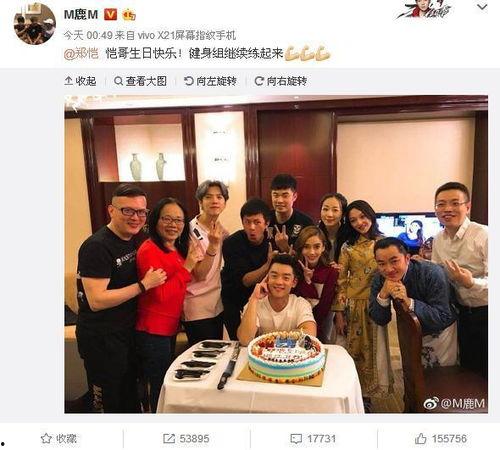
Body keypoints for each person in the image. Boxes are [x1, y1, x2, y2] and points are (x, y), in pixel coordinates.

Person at [76, 184, 166, 413]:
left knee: (130, 400)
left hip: (127, 334)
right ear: (111, 210)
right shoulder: (96, 247)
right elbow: (97, 300)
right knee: (108, 405)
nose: (135, 217)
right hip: (101, 339)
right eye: (128, 210)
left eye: (141, 212)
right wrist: (143, 285)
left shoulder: (134, 239)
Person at [135, 197, 204, 412]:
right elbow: (161, 295)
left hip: (169, 326)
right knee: (160, 385)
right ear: (155, 220)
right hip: (153, 329)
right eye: (167, 219)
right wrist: (188, 266)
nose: (173, 224)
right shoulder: (149, 250)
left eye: (179, 220)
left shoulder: (175, 247)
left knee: (166, 381)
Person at [332, 200, 392, 408]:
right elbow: (341, 281)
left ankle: (368, 397)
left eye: (363, 217)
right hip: (353, 306)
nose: (359, 223)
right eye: (353, 220)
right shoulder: (348, 247)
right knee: (353, 353)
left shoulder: (384, 243)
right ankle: (354, 397)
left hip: (376, 304)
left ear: (371, 215)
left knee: (375, 352)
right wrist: (339, 313)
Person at [369, 237, 458, 367]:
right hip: (409, 333)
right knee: (411, 374)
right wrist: (383, 295)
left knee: (440, 376)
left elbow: (443, 316)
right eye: (381, 264)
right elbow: (379, 319)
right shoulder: (380, 278)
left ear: (407, 258)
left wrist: (409, 302)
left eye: (394, 261)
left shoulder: (432, 273)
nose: (388, 269)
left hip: (440, 335)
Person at [431, 182, 488, 377]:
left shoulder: (484, 235)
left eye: (455, 203)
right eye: (441, 204)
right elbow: (439, 275)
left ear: (468, 207)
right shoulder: (438, 239)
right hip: (461, 313)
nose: (447, 209)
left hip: (487, 312)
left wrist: (470, 282)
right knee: (468, 367)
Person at [221, 198, 277, 339]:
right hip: (235, 300)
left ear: (266, 223)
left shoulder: (273, 242)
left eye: (257, 222)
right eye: (247, 222)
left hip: (263, 300)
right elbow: (245, 280)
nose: (252, 227)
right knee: (241, 341)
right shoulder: (231, 243)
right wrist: (267, 265)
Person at [182, 180, 229, 346]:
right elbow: (200, 274)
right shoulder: (189, 231)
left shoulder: (221, 230)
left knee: (218, 353)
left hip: (216, 303)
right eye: (208, 197)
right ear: (200, 202)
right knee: (203, 356)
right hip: (196, 305)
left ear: (224, 203)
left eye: (219, 197)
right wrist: (213, 246)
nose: (215, 201)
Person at [237, 254, 316, 346]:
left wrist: (273, 341)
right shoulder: (255, 303)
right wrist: (254, 298)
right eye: (274, 276)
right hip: (262, 354)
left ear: (294, 282)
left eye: (286, 278)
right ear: (267, 279)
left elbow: (310, 335)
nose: (279, 282)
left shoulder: (300, 304)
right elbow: (245, 340)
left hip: (291, 354)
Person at [293, 226, 339, 343]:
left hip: (317, 329)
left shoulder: (331, 272)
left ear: (323, 247)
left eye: (317, 246)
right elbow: (292, 302)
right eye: (306, 247)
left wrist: (308, 282)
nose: (312, 252)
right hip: (291, 326)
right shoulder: (294, 269)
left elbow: (323, 310)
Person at [268, 173, 314, 252]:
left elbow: (310, 255)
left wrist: (285, 248)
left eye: (285, 196)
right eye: (275, 195)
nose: (280, 200)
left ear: (294, 196)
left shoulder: (306, 223)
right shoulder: (264, 219)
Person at [318, 192, 348, 263]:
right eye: (325, 209)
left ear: (343, 214)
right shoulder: (315, 234)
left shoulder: (349, 235)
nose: (329, 215)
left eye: (335, 210)